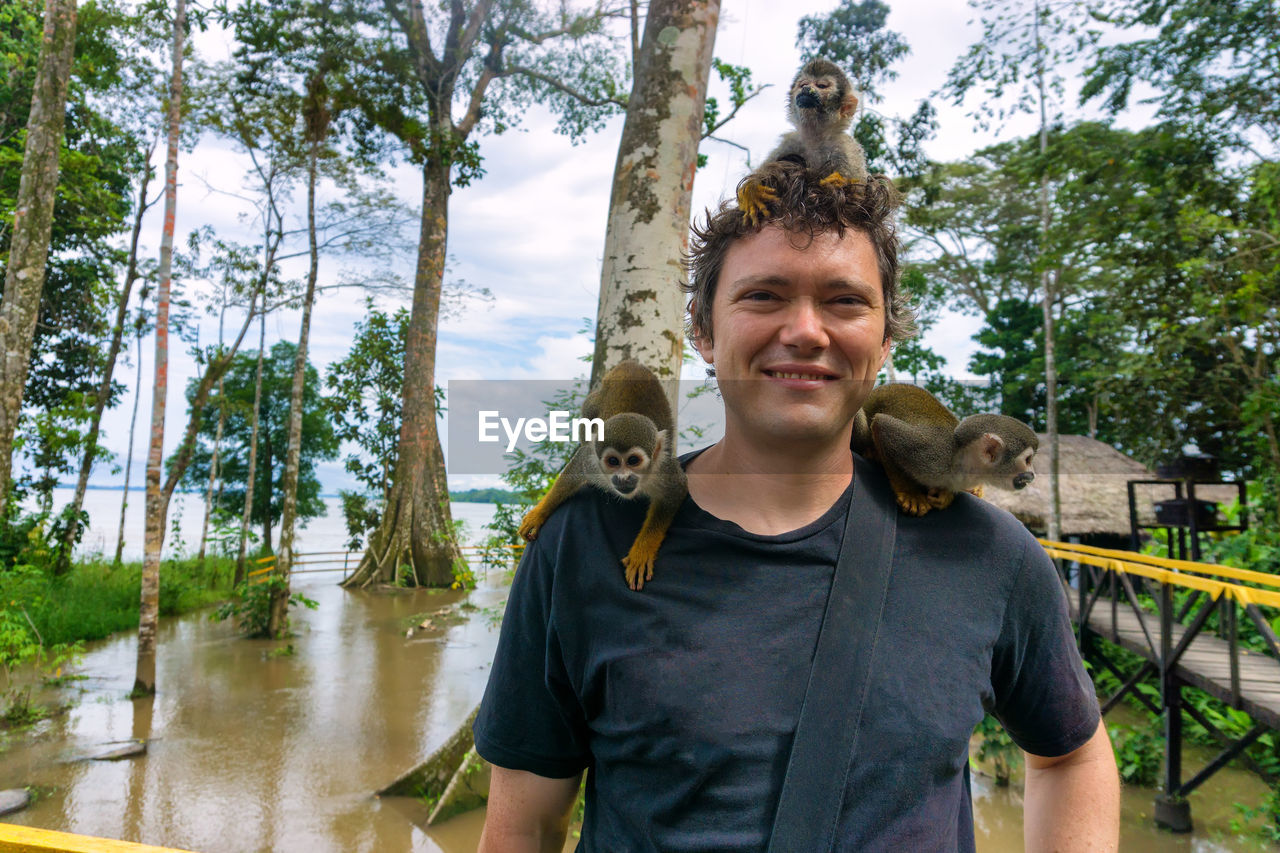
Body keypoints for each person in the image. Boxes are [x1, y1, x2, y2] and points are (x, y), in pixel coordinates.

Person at [474, 165, 1119, 852]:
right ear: (703, 331)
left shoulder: (990, 552)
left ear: (886, 339)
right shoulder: (586, 541)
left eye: (844, 301)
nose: (806, 331)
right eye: (764, 295)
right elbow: (524, 822)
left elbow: (1071, 754)